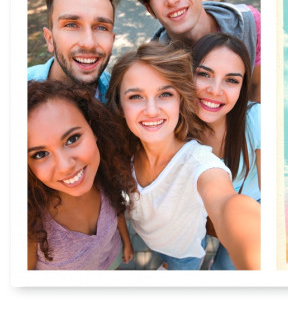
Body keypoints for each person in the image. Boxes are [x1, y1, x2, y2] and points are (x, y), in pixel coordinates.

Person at [105, 42, 260, 270]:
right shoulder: (122, 151)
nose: (151, 110)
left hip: (185, 255)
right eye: (136, 96)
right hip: (153, 243)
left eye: (165, 94)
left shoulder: (199, 163)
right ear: (120, 104)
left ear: (181, 99)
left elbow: (226, 203)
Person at [27, 80, 135, 270]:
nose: (65, 166)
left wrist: (126, 240)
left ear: (93, 130)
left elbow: (117, 210)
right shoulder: (29, 224)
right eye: (40, 154)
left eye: (73, 139)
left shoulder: (103, 174)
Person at [126, 0, 261, 102]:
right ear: (150, 10)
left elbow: (258, 89)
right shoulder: (154, 66)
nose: (172, 0)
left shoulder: (249, 24)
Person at [191, 33, 261, 270]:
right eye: (204, 74)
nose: (215, 90)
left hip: (250, 211)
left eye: (231, 80)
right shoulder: (172, 124)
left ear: (242, 87)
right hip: (196, 216)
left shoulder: (256, 119)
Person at [27, 0, 116, 103]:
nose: (89, 43)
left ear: (112, 40)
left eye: (102, 27)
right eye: (71, 25)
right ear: (49, 39)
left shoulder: (121, 97)